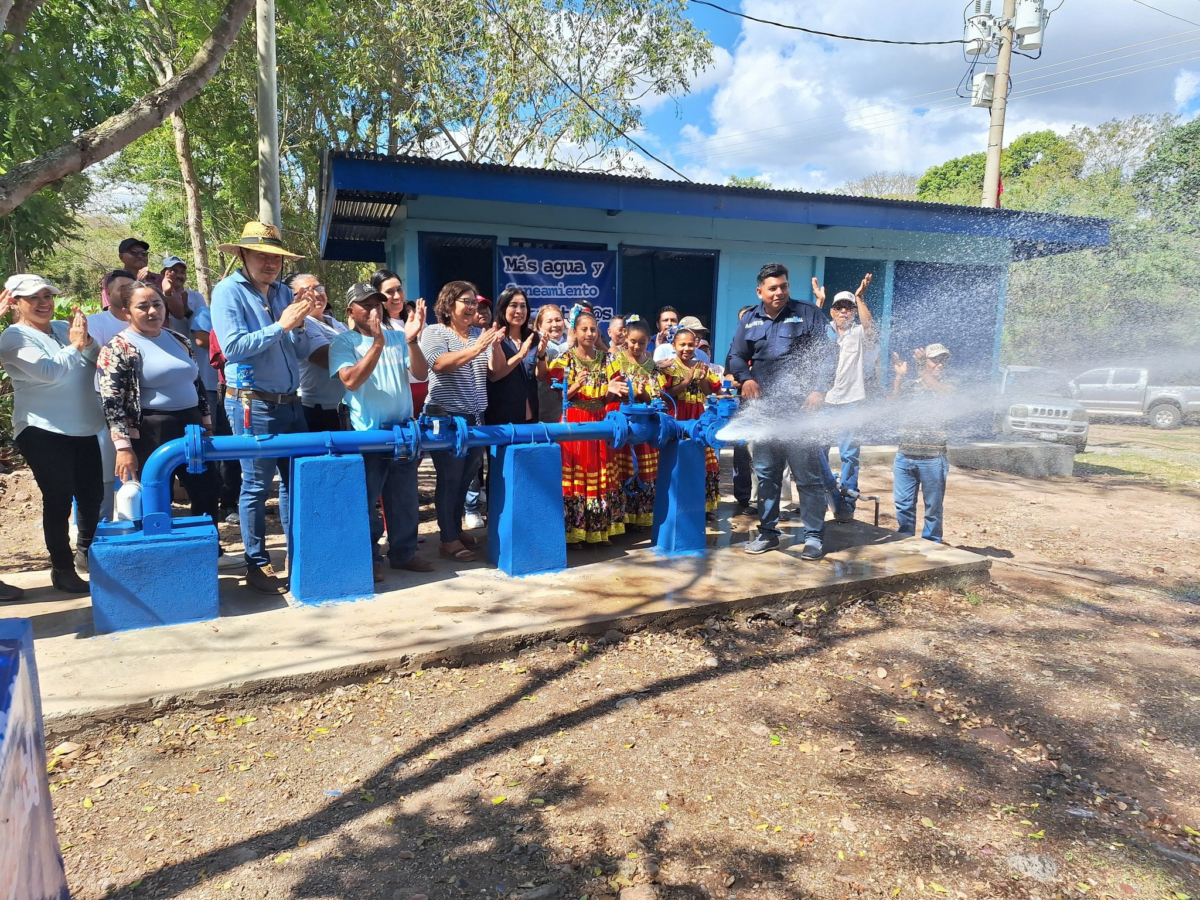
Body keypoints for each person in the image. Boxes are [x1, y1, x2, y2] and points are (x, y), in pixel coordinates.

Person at [97, 283, 241, 571]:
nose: (152, 311)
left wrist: (207, 425)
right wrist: (123, 447)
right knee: (156, 494)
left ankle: (207, 550)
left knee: (206, 489)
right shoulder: (118, 347)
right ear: (127, 312)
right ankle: (162, 557)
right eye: (143, 306)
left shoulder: (177, 338)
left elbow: (197, 385)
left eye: (157, 304)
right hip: (150, 430)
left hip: (191, 428)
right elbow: (111, 401)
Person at [210, 222, 314, 594]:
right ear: (243, 254)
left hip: (290, 402)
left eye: (276, 257)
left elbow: (299, 351)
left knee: (294, 482)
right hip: (252, 404)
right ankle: (256, 563)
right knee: (255, 486)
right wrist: (282, 325)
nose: (271, 263)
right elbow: (233, 348)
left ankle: (296, 555)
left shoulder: (285, 292)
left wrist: (299, 326)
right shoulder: (227, 292)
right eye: (262, 256)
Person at [0, 275, 105, 593]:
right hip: (41, 429)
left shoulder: (63, 328)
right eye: (34, 298)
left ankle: (88, 556)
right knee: (59, 499)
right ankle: (61, 568)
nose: (44, 303)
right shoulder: (13, 336)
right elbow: (49, 372)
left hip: (83, 425)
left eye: (47, 296)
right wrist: (75, 346)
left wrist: (86, 342)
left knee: (92, 496)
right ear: (16, 303)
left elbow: (92, 361)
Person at [728, 263, 836, 559]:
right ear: (760, 291)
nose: (779, 292)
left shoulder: (807, 313)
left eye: (784, 286)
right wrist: (746, 378)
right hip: (765, 413)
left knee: (808, 477)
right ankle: (768, 533)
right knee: (766, 475)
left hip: (801, 411)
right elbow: (735, 355)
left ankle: (813, 536)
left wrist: (818, 390)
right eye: (773, 288)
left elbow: (828, 354)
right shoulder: (749, 320)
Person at [330, 285, 434, 579]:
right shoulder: (343, 342)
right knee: (366, 499)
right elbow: (350, 381)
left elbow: (421, 373)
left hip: (401, 431)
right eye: (365, 305)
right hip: (366, 433)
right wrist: (376, 343)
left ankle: (404, 553)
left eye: (377, 303)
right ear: (351, 312)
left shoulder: (398, 338)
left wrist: (412, 341)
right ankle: (370, 557)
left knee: (404, 498)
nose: (373, 309)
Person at [418, 281, 503, 562]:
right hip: (447, 418)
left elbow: (497, 372)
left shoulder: (479, 334)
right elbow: (440, 364)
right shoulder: (434, 331)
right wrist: (478, 347)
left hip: (477, 419)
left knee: (466, 478)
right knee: (450, 479)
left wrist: (496, 346)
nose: (471, 307)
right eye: (464, 301)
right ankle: (447, 539)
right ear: (447, 305)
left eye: (473, 303)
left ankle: (453, 530)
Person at [538, 305, 625, 546]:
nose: (589, 333)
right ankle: (572, 533)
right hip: (575, 422)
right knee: (576, 473)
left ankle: (598, 530)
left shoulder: (608, 359)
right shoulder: (564, 359)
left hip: (600, 421)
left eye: (593, 329)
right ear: (574, 332)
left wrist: (610, 392)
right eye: (584, 329)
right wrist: (575, 386)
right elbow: (558, 393)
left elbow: (613, 394)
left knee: (599, 473)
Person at [812, 273, 878, 522]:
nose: (843, 311)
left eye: (848, 307)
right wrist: (818, 301)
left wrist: (860, 297)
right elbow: (807, 329)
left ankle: (847, 502)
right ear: (832, 311)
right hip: (825, 402)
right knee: (818, 451)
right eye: (839, 307)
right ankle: (822, 497)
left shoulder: (859, 333)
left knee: (849, 454)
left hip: (852, 402)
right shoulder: (825, 331)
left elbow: (871, 330)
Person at [890, 343, 955, 543]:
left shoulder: (951, 383)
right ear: (926, 362)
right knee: (903, 504)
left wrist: (920, 370)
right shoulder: (913, 385)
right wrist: (900, 376)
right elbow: (892, 404)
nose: (939, 364)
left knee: (933, 506)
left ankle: (931, 544)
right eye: (934, 360)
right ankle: (905, 541)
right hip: (905, 455)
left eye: (943, 360)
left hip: (933, 458)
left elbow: (946, 395)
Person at [604, 315, 662, 530]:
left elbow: (656, 398)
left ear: (649, 341)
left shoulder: (652, 366)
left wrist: (643, 394)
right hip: (620, 420)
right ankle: (621, 519)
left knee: (645, 469)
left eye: (642, 342)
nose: (636, 346)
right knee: (621, 468)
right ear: (625, 338)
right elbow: (610, 390)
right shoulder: (614, 361)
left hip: (644, 422)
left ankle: (641, 518)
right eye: (633, 342)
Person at [662, 326, 722, 517]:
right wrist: (686, 381)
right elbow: (664, 395)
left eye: (690, 344)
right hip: (677, 418)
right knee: (677, 461)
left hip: (697, 417)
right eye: (682, 345)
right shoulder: (668, 367)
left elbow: (710, 393)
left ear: (696, 346)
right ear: (674, 345)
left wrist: (702, 380)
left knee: (701, 461)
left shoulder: (701, 366)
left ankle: (701, 507)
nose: (687, 348)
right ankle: (676, 504)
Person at [286, 274, 347, 432]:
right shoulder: (302, 324)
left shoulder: (337, 323)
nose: (317, 293)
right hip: (318, 410)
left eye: (319, 288)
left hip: (342, 406)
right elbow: (328, 359)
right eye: (307, 290)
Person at [371, 269, 429, 413]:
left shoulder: (416, 321)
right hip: (398, 395)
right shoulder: (378, 326)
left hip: (427, 391)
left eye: (399, 289)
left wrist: (422, 332)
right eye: (390, 292)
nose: (397, 296)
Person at [487, 288, 539, 425]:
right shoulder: (493, 336)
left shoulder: (533, 337)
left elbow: (539, 375)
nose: (519, 311)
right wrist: (520, 355)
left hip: (530, 416)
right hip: (502, 417)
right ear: (502, 308)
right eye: (513, 305)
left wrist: (543, 355)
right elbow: (493, 376)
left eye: (523, 306)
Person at [727, 305, 757, 516]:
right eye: (741, 320)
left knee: (759, 453)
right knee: (741, 452)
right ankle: (743, 496)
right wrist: (736, 381)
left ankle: (758, 499)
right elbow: (728, 376)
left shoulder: (764, 344)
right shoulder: (735, 349)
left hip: (761, 408)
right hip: (742, 408)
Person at [533, 304, 567, 423]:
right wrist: (571, 344)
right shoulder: (536, 341)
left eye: (558, 320)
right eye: (549, 321)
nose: (555, 325)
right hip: (546, 412)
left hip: (572, 411)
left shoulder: (572, 339)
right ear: (539, 326)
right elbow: (551, 356)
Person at [90, 271, 135, 346]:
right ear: (108, 294)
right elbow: (93, 355)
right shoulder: (94, 322)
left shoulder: (146, 322)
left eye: (132, 289)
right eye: (122, 289)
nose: (128, 293)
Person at [158, 255, 198, 330]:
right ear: (163, 273)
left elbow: (203, 325)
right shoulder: (155, 296)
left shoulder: (196, 296)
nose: (179, 276)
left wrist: (187, 311)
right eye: (174, 271)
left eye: (182, 272)